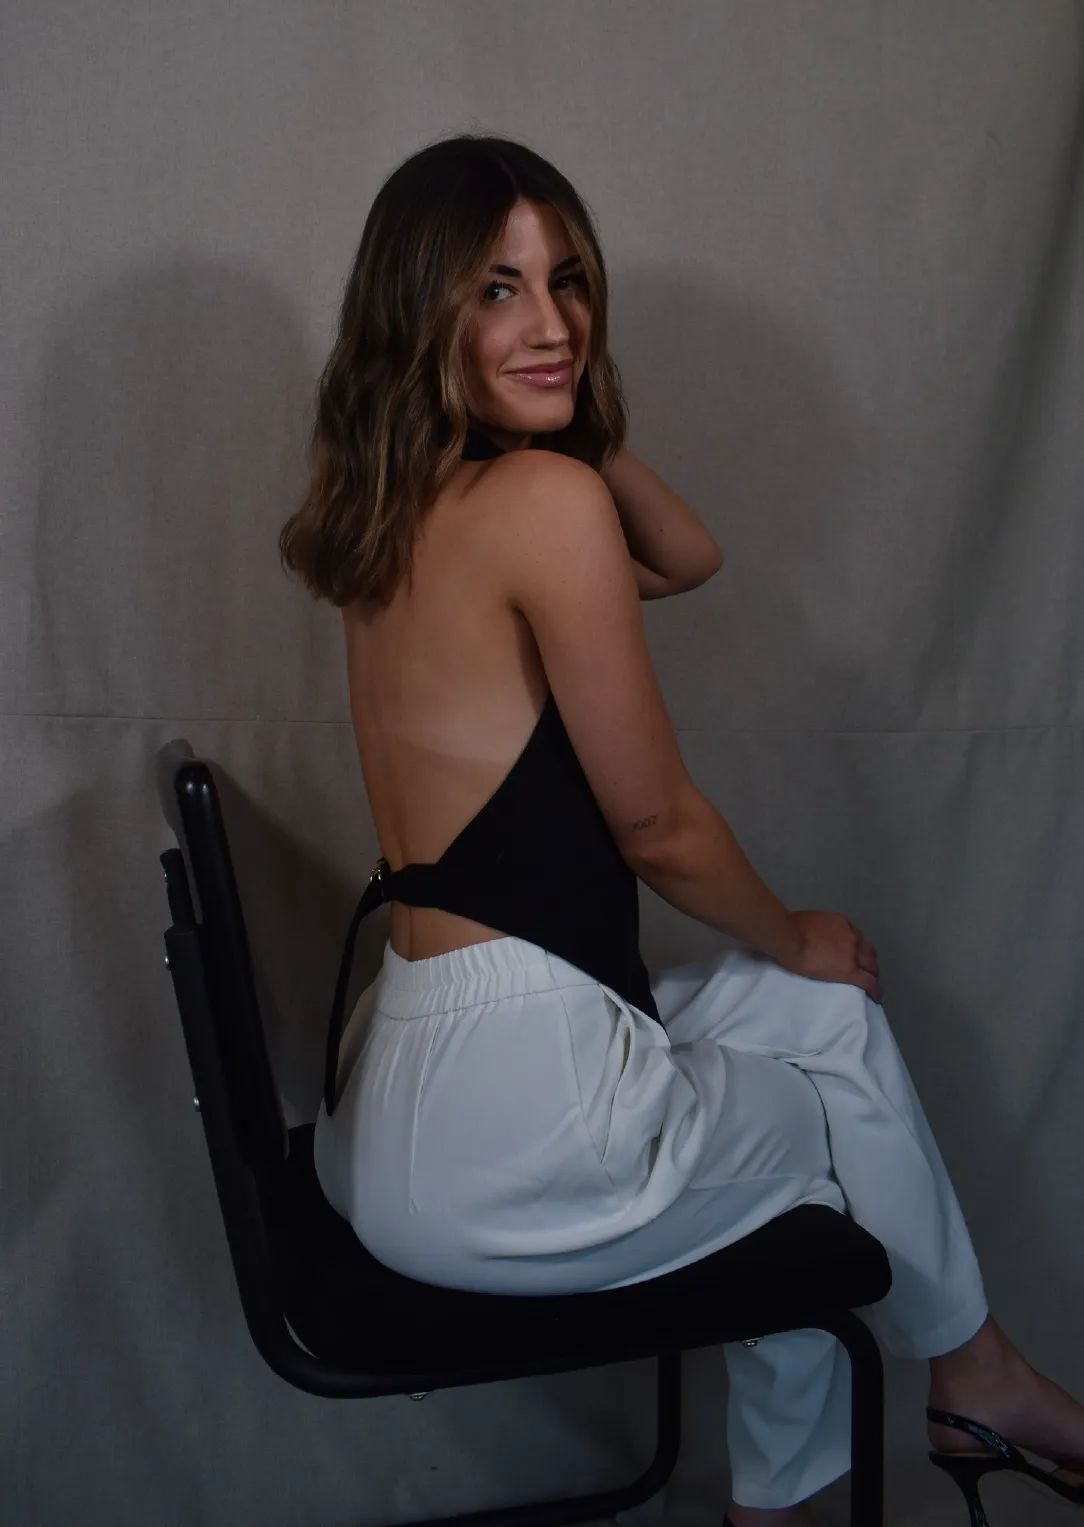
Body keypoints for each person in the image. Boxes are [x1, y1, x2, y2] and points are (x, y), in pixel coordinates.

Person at [278, 134, 1084, 1525]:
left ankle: (970, 1373)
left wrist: (558, 395)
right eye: (497, 291)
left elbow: (687, 555)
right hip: (518, 1118)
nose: (552, 322)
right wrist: (800, 930)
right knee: (833, 1128)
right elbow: (654, 822)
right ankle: (958, 1390)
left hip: (404, 1101)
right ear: (424, 313)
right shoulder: (541, 503)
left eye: (569, 282)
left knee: (825, 1037)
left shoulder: (401, 512)